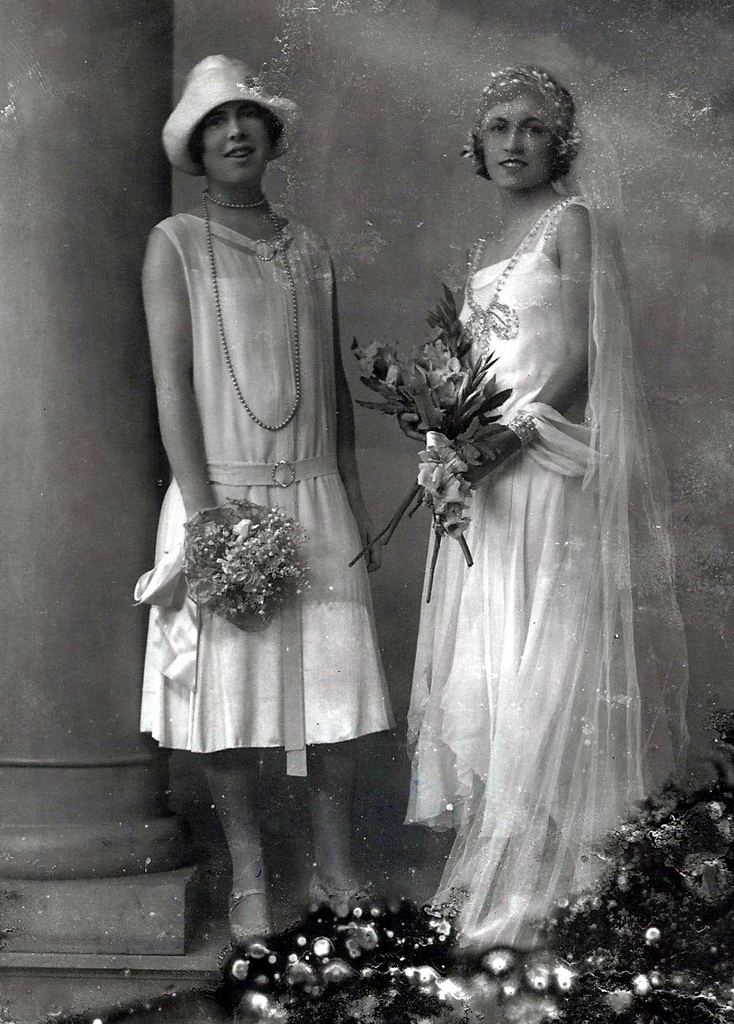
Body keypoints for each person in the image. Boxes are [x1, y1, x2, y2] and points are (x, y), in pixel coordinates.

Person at [403, 66, 688, 949]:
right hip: (485, 484)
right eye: (499, 126)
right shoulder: (486, 255)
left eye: (533, 127)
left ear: (559, 141)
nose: (515, 142)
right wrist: (448, 445)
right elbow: (470, 373)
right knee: (488, 663)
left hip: (540, 476)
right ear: (477, 145)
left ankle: (546, 890)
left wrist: (507, 438)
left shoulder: (575, 226)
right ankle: (505, 865)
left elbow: (581, 361)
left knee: (545, 659)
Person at [134, 55, 393, 942]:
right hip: (222, 498)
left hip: (314, 494)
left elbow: (332, 393)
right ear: (197, 149)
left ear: (271, 137)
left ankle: (335, 864)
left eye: (247, 118)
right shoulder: (174, 242)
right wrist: (206, 519)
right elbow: (172, 390)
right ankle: (248, 874)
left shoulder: (310, 247)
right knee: (232, 702)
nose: (234, 133)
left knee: (336, 697)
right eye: (215, 124)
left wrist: (354, 505)